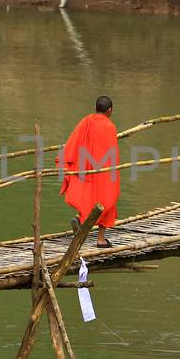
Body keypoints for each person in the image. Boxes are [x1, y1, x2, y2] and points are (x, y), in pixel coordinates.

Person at [59, 95, 120, 248]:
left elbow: (74, 142)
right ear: (109, 110)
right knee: (107, 202)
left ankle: (80, 219)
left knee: (87, 196)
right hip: (103, 172)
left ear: (96, 108)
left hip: (87, 169)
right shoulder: (109, 126)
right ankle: (100, 239)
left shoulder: (86, 121)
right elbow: (112, 154)